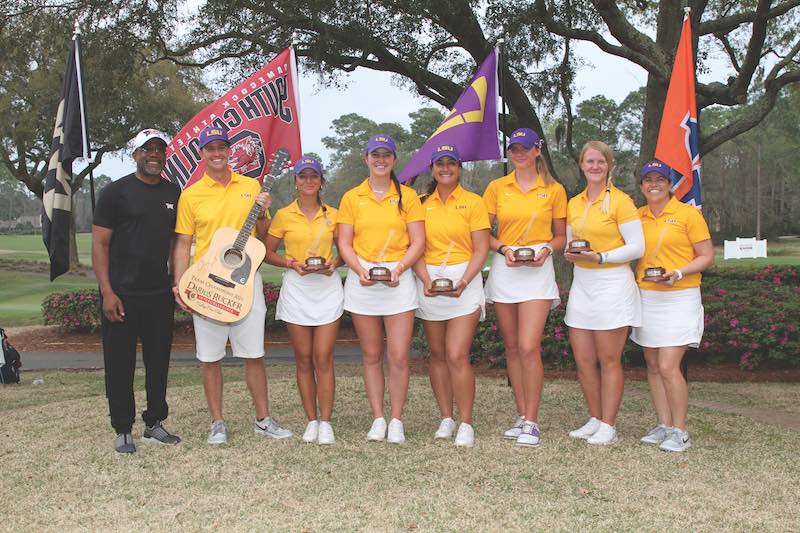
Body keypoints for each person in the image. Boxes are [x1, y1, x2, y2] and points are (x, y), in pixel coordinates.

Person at [172, 126, 292, 445]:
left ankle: (263, 419)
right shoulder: (191, 195)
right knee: (210, 358)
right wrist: (179, 283)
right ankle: (217, 423)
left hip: (245, 281)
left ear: (229, 151)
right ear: (201, 153)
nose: (216, 154)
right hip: (207, 282)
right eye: (210, 148)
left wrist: (263, 211)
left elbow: (263, 235)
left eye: (221, 147)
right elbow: (183, 244)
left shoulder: (251, 186)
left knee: (254, 354)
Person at [92, 128, 181, 454]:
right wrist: (107, 292)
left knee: (158, 363)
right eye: (147, 149)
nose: (154, 154)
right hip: (121, 295)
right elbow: (100, 245)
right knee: (120, 365)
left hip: (158, 294)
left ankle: (154, 423)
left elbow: (176, 242)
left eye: (159, 149)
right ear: (136, 155)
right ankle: (122, 428)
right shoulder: (115, 192)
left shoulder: (173, 192)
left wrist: (177, 281)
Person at [337, 134, 425, 444]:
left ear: (394, 160)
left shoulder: (408, 197)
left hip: (398, 278)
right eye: (375, 155)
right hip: (363, 279)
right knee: (372, 355)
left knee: (398, 356)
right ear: (366, 159)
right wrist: (359, 269)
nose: (381, 160)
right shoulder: (352, 197)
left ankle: (396, 419)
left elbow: (418, 242)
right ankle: (378, 417)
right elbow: (344, 243)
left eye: (386, 155)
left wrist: (399, 269)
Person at [482, 128, 567, 447]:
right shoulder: (497, 187)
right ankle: (521, 414)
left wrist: (546, 249)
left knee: (529, 346)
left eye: (525, 148)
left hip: (538, 271)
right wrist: (503, 249)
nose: (519, 153)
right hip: (506, 268)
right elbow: (483, 232)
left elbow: (561, 236)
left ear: (537, 150)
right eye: (514, 148)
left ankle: (532, 420)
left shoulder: (554, 189)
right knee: (513, 347)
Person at [564, 140, 644, 445]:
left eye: (601, 161)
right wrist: (571, 253)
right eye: (590, 161)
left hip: (612, 282)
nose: (595, 166)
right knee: (584, 359)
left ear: (609, 166)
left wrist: (601, 257)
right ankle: (595, 418)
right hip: (582, 284)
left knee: (609, 358)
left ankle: (609, 425)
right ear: (582, 165)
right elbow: (571, 243)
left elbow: (637, 247)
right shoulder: (574, 203)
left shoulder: (622, 201)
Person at [631, 160, 714, 452]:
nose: (654, 185)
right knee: (654, 366)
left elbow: (706, 256)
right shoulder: (636, 216)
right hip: (647, 296)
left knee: (668, 366)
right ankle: (664, 424)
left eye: (660, 180)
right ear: (641, 186)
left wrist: (678, 272)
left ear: (669, 184)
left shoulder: (688, 214)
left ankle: (680, 431)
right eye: (648, 180)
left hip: (680, 295)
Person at [412, 145, 490, 447]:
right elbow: (415, 247)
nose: (445, 168)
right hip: (430, 280)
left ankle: (466, 422)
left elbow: (481, 249)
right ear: (432, 169)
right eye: (440, 163)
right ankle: (447, 417)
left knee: (457, 354)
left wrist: (465, 281)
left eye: (451, 163)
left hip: (464, 280)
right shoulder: (420, 203)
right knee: (438, 354)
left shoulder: (473, 202)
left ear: (459, 167)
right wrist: (425, 279)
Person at [264, 157, 344, 445]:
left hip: (327, 288)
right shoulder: (284, 215)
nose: (308, 181)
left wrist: (336, 263)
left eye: (314, 176)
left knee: (323, 357)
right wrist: (290, 263)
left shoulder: (334, 214)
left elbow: (347, 249)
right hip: (297, 289)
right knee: (303, 358)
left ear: (321, 181)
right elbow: (267, 251)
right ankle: (311, 420)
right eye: (303, 176)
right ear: (295, 181)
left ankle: (326, 421)